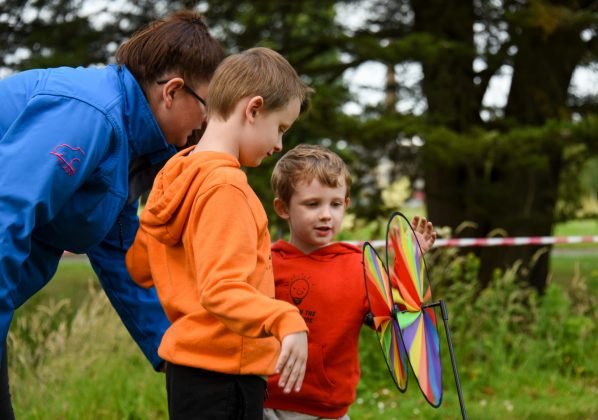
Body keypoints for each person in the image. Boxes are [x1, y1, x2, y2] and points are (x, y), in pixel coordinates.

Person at [0, 10, 224, 418]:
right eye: (208, 105)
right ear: (172, 91)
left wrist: (179, 352)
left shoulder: (128, 148)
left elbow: (122, 257)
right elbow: (4, 218)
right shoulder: (90, 114)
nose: (208, 122)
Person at [125, 47, 312, 419]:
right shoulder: (226, 187)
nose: (279, 145)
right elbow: (222, 289)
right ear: (253, 109)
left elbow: (140, 268)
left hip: (188, 373)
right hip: (227, 373)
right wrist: (285, 319)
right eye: (280, 128)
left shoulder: (175, 175)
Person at [263, 144, 437, 419]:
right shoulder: (266, 262)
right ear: (283, 208)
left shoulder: (360, 265)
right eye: (312, 204)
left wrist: (410, 259)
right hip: (269, 405)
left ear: (346, 205)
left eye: (335, 204)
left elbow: (400, 314)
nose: (325, 215)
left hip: (331, 409)